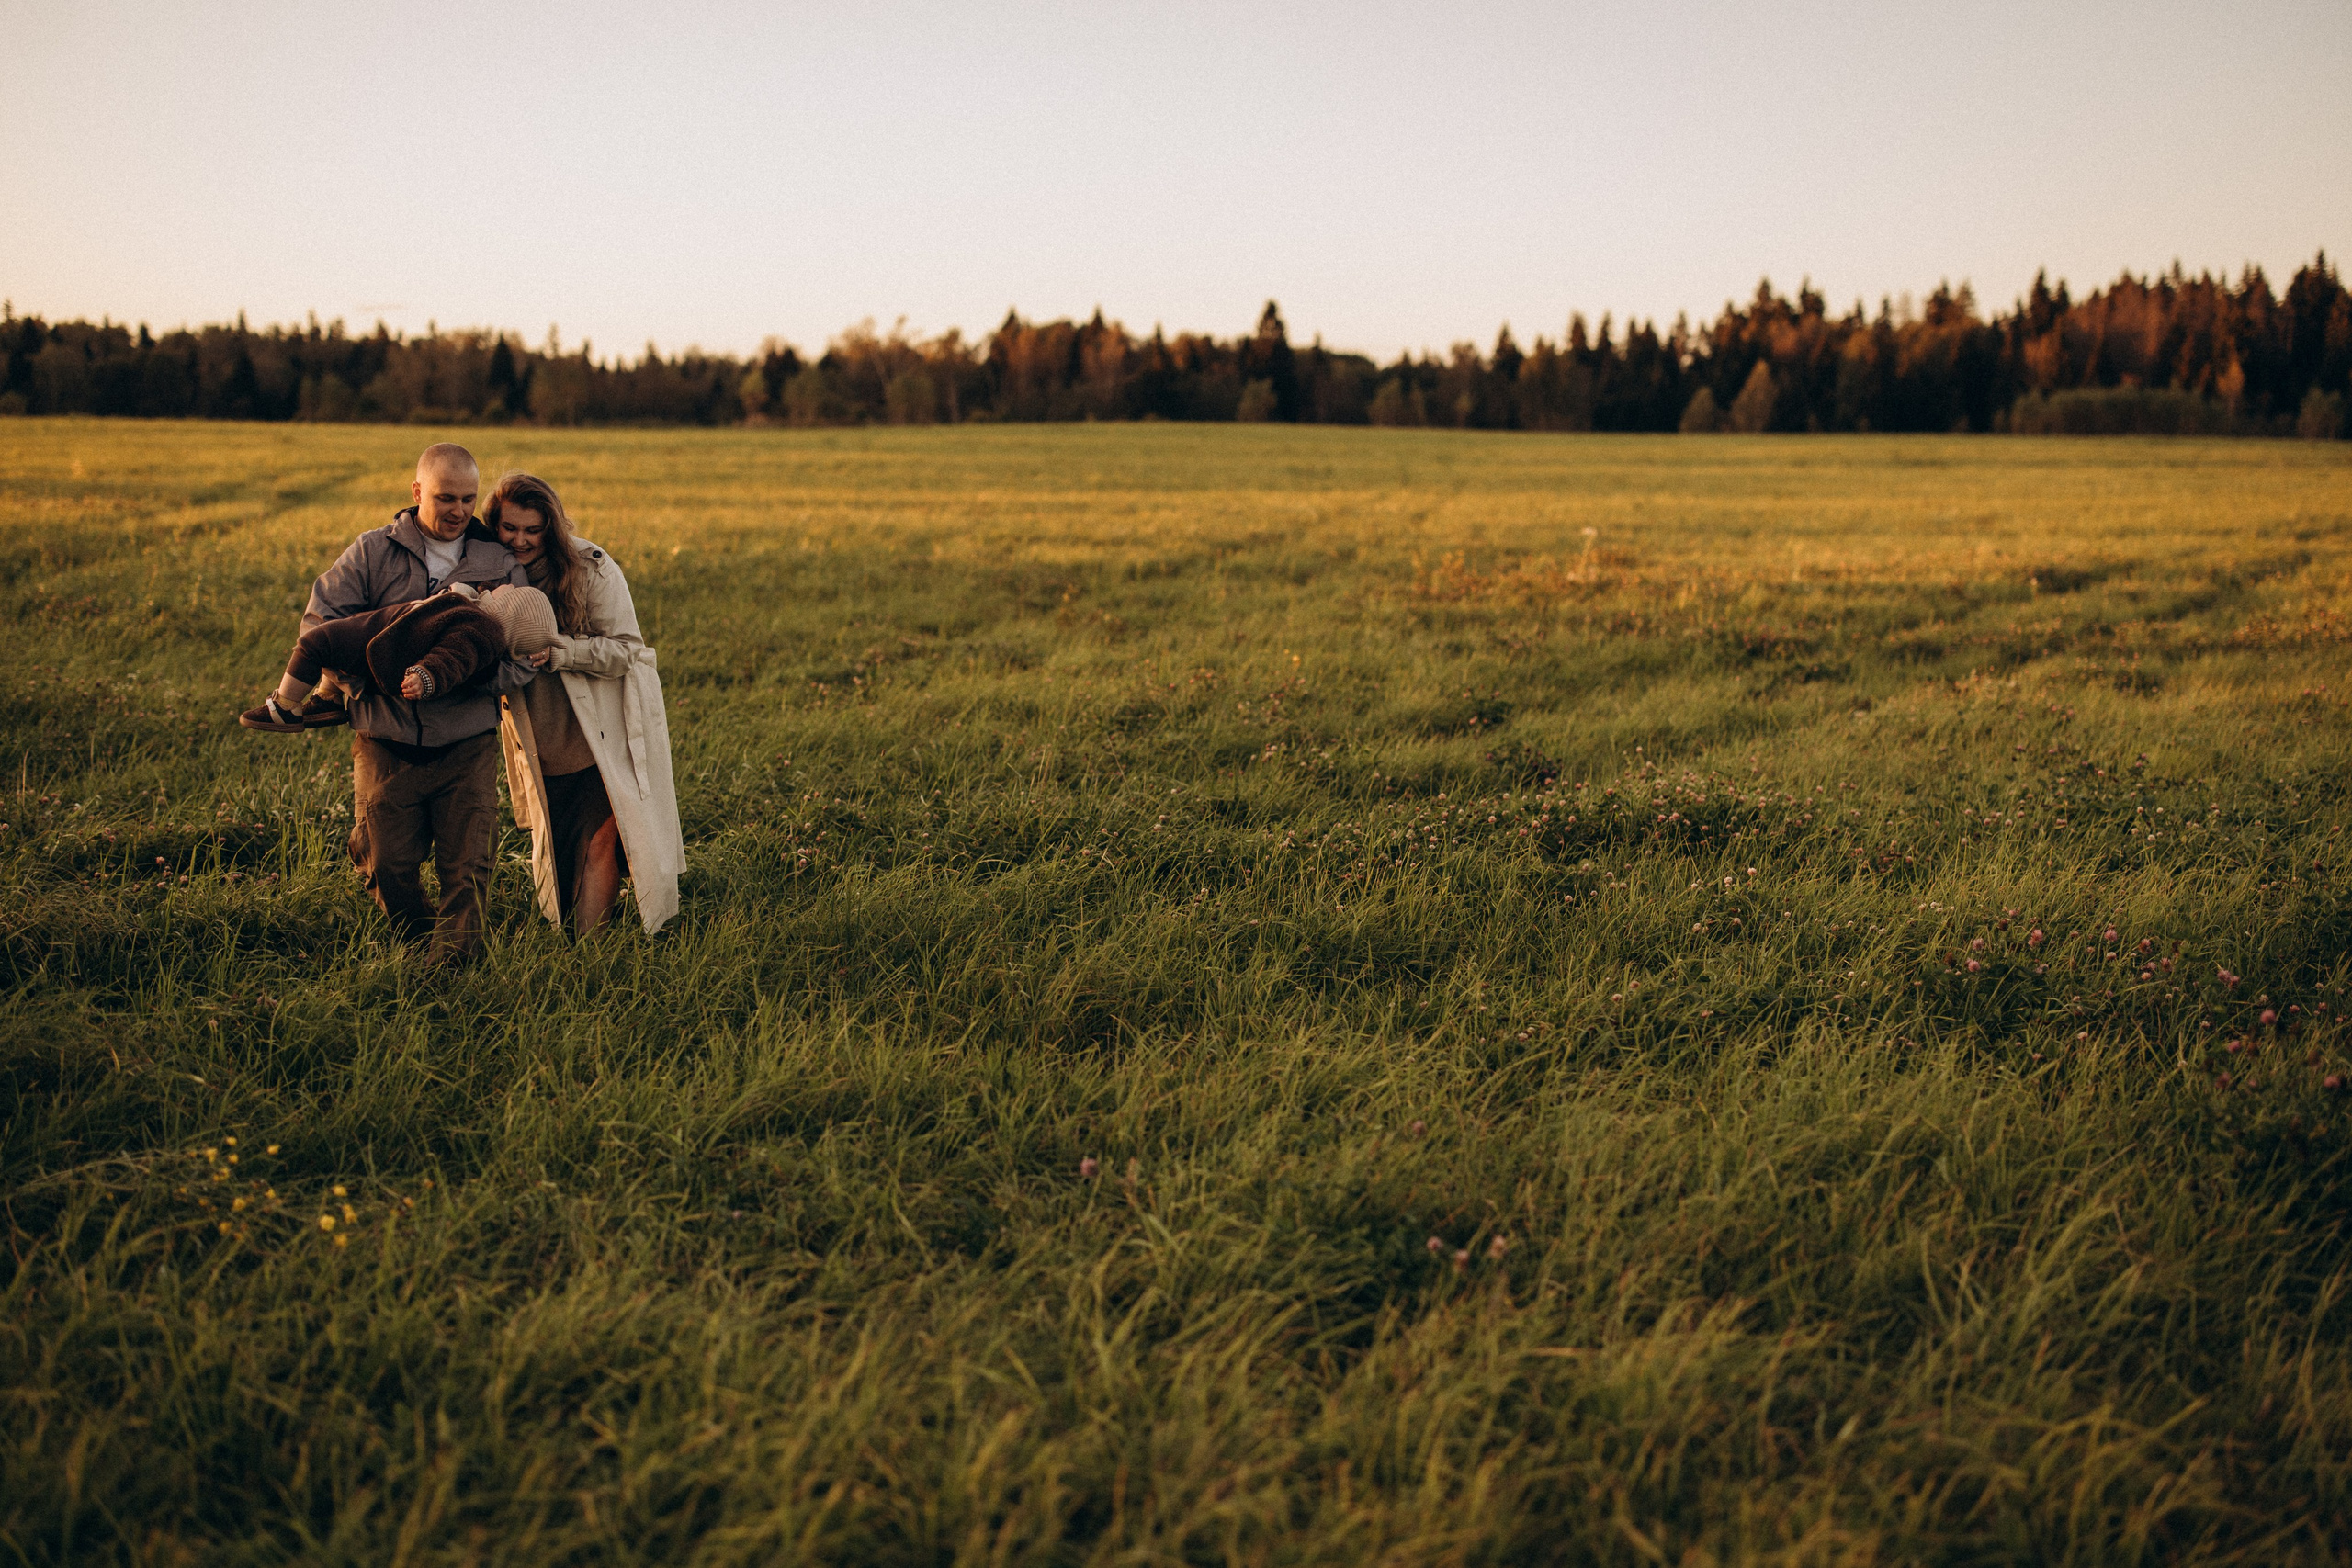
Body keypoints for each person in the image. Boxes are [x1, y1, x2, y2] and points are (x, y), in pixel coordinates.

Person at [299, 443, 533, 966]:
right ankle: (419, 939)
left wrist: (456, 680)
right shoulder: (370, 552)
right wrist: (371, 681)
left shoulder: (497, 562)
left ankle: (452, 976)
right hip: (386, 740)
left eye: (469, 499)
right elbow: (320, 627)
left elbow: (525, 653)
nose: (458, 511)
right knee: (387, 864)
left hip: (467, 743)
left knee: (468, 869)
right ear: (417, 491)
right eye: (445, 497)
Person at [485, 472, 684, 934]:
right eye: (509, 528)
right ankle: (570, 940)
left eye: (533, 530)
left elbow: (626, 648)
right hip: (542, 736)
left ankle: (594, 954)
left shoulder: (589, 566)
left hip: (602, 734)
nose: (520, 539)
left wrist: (562, 651)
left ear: (550, 528)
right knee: (560, 848)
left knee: (601, 843)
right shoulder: (485, 573)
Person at [238, 583, 559, 731]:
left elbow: (453, 657)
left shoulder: (480, 628)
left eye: (511, 592)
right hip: (384, 642)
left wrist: (426, 676)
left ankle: (285, 708)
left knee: (314, 643)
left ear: (508, 611)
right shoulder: (477, 614)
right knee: (337, 649)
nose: (506, 585)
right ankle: (327, 700)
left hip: (388, 651)